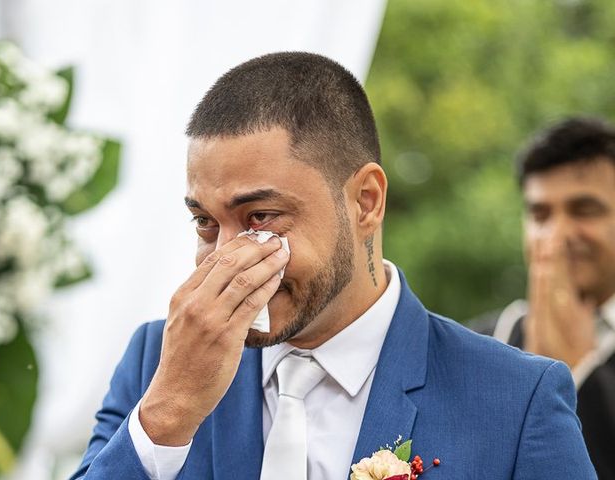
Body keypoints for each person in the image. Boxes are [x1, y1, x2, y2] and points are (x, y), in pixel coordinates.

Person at [70, 53, 595, 480]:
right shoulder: (154, 365)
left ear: (366, 201)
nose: (224, 260)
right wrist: (167, 412)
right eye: (206, 223)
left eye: (261, 217)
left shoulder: (514, 399)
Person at [487, 117, 615, 480]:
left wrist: (578, 374)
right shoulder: (482, 340)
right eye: (540, 214)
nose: (556, 236)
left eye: (584, 210)